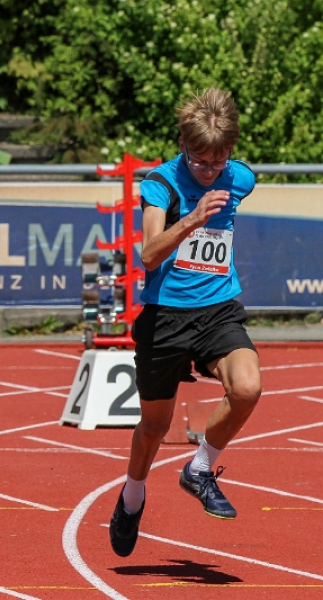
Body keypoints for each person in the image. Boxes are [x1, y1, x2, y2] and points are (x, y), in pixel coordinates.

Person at [108, 88, 263, 558]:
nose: (209, 170)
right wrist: (191, 219)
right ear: (182, 144)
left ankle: (199, 468)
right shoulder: (162, 184)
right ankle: (132, 496)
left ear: (230, 152)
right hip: (166, 316)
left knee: (247, 388)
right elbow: (148, 254)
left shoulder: (241, 179)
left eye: (218, 162)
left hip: (218, 309)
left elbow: (231, 191)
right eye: (199, 161)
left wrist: (217, 193)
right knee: (153, 427)